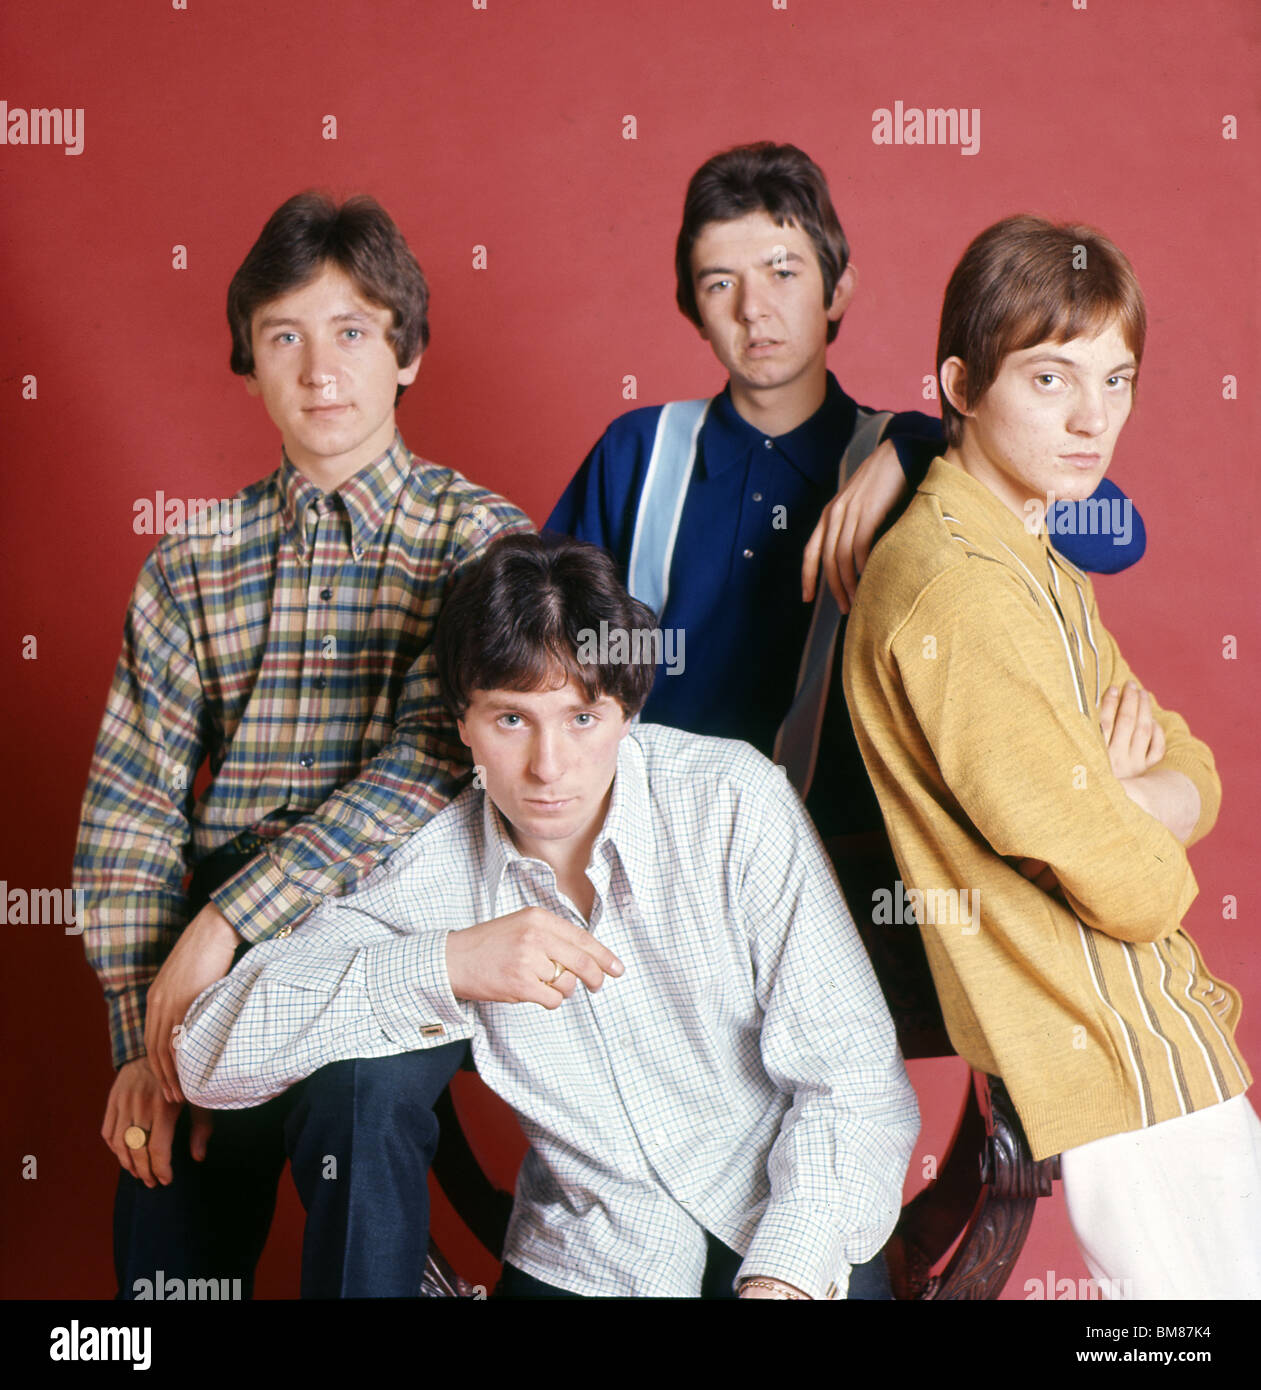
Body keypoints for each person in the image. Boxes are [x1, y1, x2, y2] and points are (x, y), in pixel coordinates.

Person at [173, 533, 921, 1300]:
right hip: (591, 1253)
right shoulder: (430, 867)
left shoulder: (732, 800)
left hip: (786, 1213)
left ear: (626, 711)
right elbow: (206, 1057)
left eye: (581, 718)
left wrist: (783, 1280)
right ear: (461, 722)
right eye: (510, 720)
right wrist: (447, 962)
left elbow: (855, 1084)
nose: (548, 766)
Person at [73, 191, 530, 1298]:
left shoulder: (478, 540)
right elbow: (130, 815)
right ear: (248, 367)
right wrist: (143, 1038)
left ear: (406, 354)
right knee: (165, 1180)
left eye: (352, 333)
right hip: (208, 940)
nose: (321, 371)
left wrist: (230, 923)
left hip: (399, 921)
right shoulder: (191, 563)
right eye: (284, 338)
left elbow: (431, 763)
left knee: (359, 1105)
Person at [842, 214, 1259, 1299]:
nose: (1092, 418)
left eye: (1116, 381)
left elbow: (1194, 762)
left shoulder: (1031, 554)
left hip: (1144, 1028)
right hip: (1094, 1028)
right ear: (960, 386)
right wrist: (1129, 815)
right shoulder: (959, 586)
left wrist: (1133, 792)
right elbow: (1119, 879)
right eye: (1049, 378)